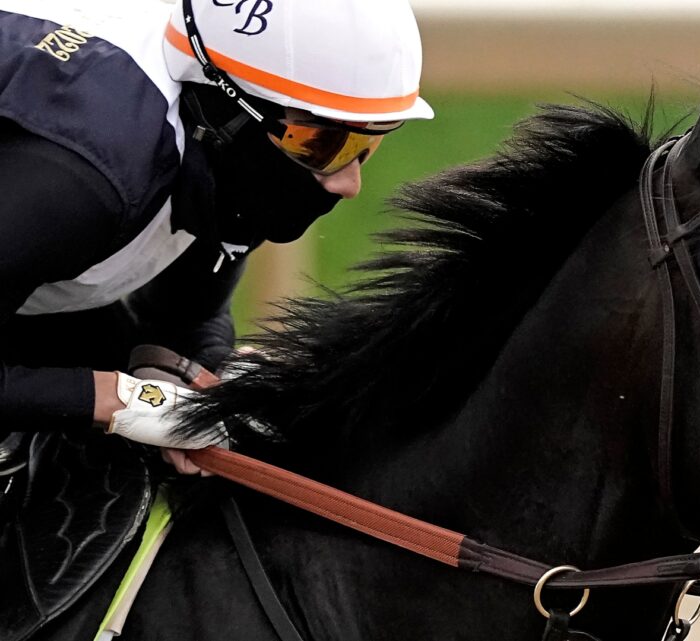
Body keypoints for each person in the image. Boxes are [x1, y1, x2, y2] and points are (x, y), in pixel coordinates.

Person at [0, 0, 433, 478]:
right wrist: (121, 399)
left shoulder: (218, 146)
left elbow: (186, 318)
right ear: (228, 108)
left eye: (365, 147)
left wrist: (190, 376)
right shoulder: (82, 183)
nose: (349, 184)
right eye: (322, 145)